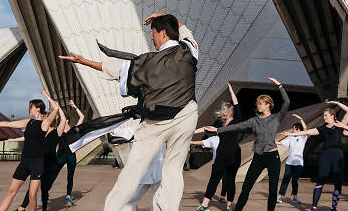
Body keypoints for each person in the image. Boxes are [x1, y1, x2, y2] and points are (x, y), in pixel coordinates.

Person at [59, 12, 199, 211]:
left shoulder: (148, 62)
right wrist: (169, 16)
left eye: (153, 33)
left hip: (156, 123)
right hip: (187, 116)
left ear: (163, 34)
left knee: (132, 172)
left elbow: (117, 69)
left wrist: (84, 62)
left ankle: (113, 208)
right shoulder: (188, 51)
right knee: (173, 171)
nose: (152, 38)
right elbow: (187, 34)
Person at [203, 77, 288, 211]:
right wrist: (218, 129)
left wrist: (279, 86)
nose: (258, 105)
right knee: (246, 187)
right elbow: (236, 126)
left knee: (272, 190)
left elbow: (287, 102)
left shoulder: (276, 118)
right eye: (258, 103)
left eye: (260, 103)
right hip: (258, 157)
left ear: (268, 105)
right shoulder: (254, 121)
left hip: (273, 158)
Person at [0, 90, 60, 211]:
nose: (29, 109)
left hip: (37, 163)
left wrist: (47, 97)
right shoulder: (28, 122)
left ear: (38, 108)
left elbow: (56, 109)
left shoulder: (45, 123)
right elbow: (9, 124)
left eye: (31, 107)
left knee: (32, 196)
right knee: (10, 192)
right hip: (24, 162)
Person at [284, 101, 348, 211]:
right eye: (324, 115)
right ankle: (314, 207)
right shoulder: (322, 128)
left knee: (338, 183)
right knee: (320, 181)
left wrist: (338, 103)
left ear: (332, 115)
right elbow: (306, 132)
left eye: (326, 115)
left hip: (338, 156)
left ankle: (333, 207)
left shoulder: (340, 125)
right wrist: (291, 134)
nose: (324, 117)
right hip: (326, 156)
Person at [192, 82, 242, 211]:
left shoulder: (237, 121)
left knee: (230, 180)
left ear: (230, 112)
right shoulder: (220, 124)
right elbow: (205, 128)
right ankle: (204, 205)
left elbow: (236, 105)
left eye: (225, 112)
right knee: (213, 179)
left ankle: (229, 205)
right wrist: (191, 132)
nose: (223, 114)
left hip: (234, 155)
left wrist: (231, 90)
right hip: (221, 155)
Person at [13, 99, 67, 211]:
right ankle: (22, 208)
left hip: (50, 163)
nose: (45, 119)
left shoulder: (57, 131)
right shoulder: (41, 130)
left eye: (47, 117)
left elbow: (63, 119)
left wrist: (57, 107)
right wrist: (12, 140)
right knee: (32, 189)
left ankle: (42, 207)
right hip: (39, 161)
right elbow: (28, 139)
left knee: (43, 188)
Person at [47, 100, 84, 206]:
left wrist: (74, 106)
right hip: (60, 155)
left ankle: (68, 196)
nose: (63, 122)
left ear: (67, 120)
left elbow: (82, 118)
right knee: (53, 174)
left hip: (71, 155)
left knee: (70, 176)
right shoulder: (58, 131)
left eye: (64, 120)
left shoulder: (74, 130)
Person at [277, 114, 308, 204]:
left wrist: (300, 118)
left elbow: (305, 129)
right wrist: (269, 141)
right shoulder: (290, 138)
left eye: (294, 129)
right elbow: (280, 143)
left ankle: (294, 197)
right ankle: (279, 196)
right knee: (285, 180)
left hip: (298, 163)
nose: (292, 130)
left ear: (298, 130)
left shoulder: (303, 138)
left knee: (294, 180)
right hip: (289, 163)